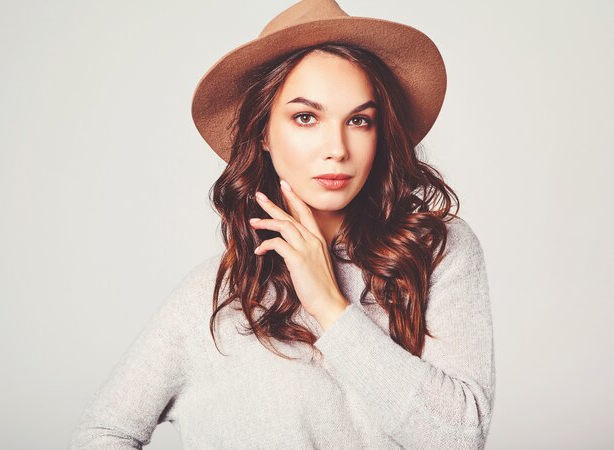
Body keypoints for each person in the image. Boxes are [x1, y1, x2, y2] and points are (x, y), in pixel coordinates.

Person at [69, 0, 495, 449]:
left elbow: (458, 439)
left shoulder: (436, 253)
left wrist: (330, 306)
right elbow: (103, 434)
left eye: (359, 120)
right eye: (306, 117)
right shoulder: (217, 297)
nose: (337, 147)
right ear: (263, 134)